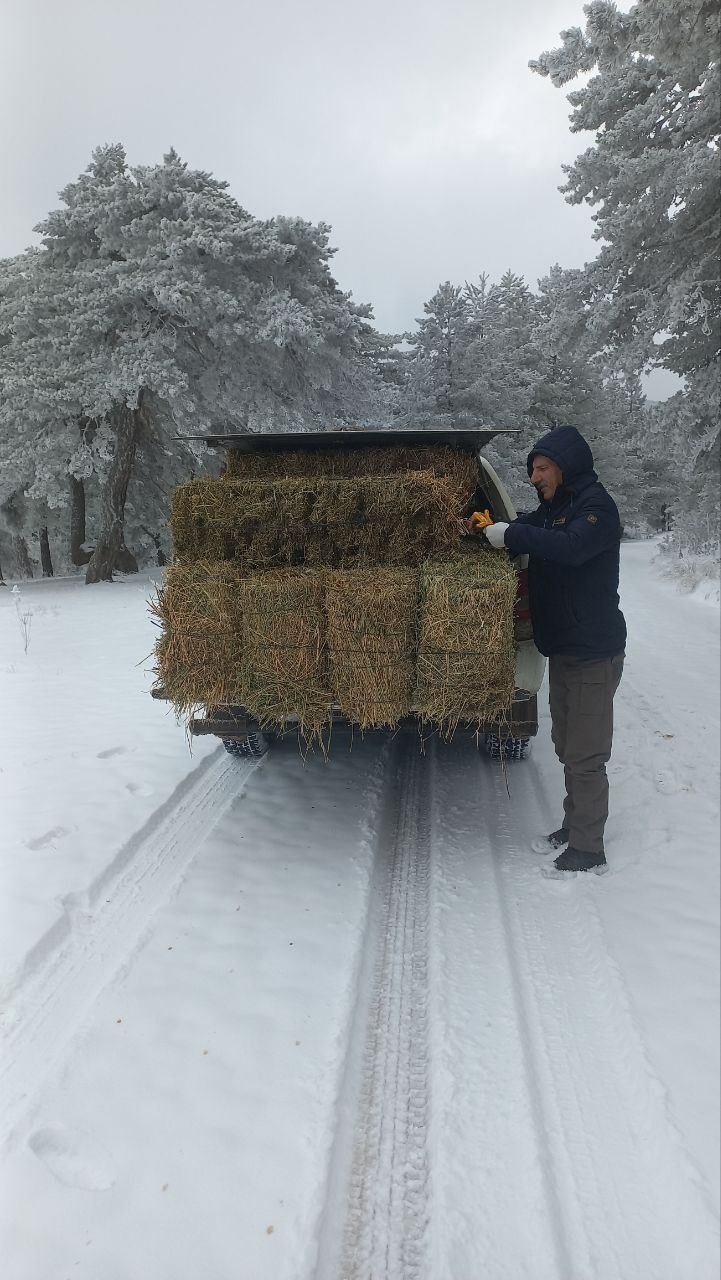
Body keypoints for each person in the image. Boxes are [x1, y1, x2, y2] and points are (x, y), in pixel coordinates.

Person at [482, 425, 626, 877]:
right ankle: (574, 824)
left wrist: (513, 536)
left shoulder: (595, 508)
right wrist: (489, 527)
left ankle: (588, 850)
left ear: (566, 467)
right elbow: (529, 527)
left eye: (542, 468)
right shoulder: (555, 507)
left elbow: (571, 547)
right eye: (532, 470)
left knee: (586, 752)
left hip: (593, 650)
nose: (534, 477)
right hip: (565, 647)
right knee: (566, 744)